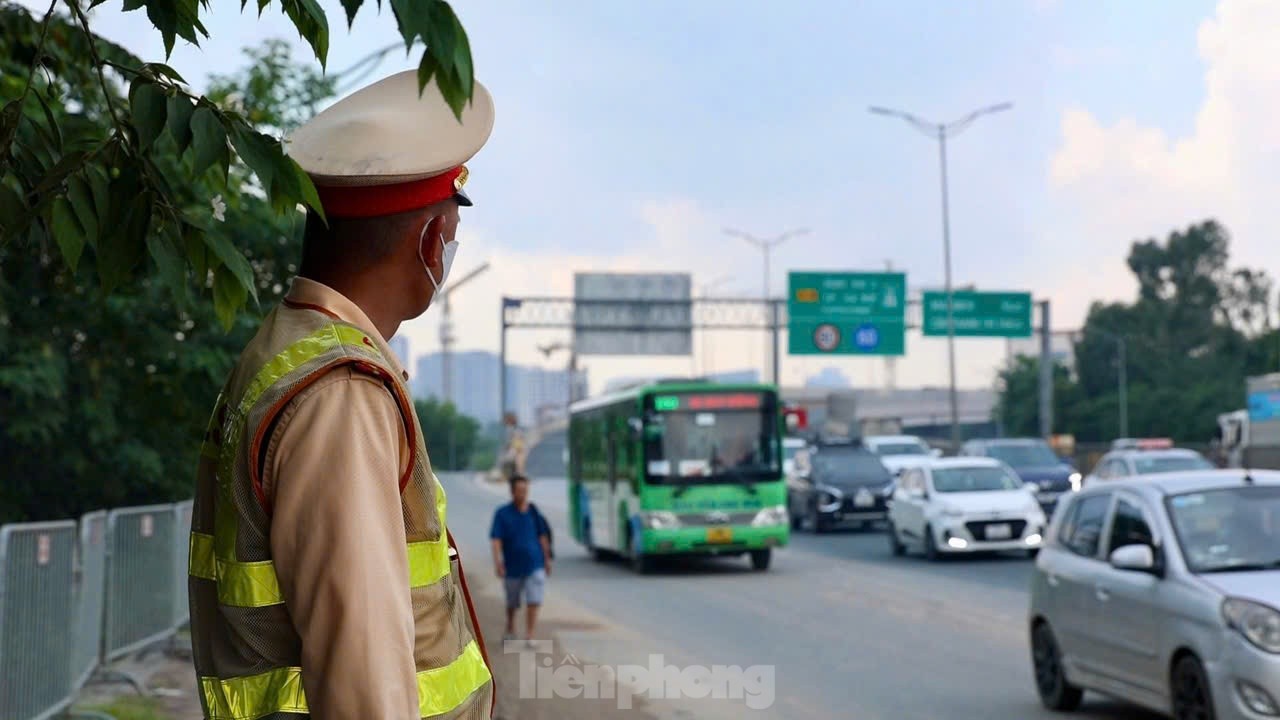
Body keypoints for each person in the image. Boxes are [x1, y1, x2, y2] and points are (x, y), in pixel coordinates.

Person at [187, 70, 496, 720]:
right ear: (432, 242)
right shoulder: (339, 395)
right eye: (451, 231)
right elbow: (365, 687)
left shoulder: (291, 352)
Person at [489, 475, 552, 644]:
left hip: (535, 564)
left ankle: (530, 634)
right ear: (512, 491)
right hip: (512, 566)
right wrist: (498, 563)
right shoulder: (502, 514)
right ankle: (510, 627)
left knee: (534, 599)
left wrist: (547, 559)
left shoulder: (533, 512)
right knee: (512, 601)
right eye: (519, 490)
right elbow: (496, 539)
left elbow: (542, 536)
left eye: (525, 490)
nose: (522, 494)